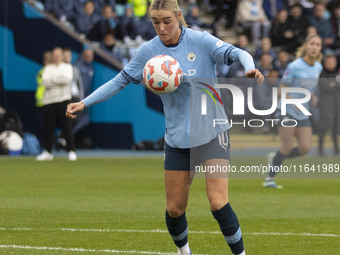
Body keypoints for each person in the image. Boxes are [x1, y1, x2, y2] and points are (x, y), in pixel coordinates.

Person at [66, 0, 263, 254]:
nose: (161, 27)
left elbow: (239, 53)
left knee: (217, 202)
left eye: (166, 21)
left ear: (179, 16)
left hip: (213, 132)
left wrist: (249, 68)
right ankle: (184, 252)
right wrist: (84, 102)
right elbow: (120, 80)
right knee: (174, 208)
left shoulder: (200, 41)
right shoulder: (149, 51)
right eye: (155, 22)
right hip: (178, 138)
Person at [264, 34, 323, 188]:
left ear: (320, 48)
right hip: (286, 110)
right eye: (312, 44)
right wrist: (294, 100)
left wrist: (313, 97)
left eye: (317, 45)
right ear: (306, 46)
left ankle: (276, 158)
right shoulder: (295, 66)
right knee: (287, 147)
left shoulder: (318, 67)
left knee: (305, 148)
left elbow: (309, 89)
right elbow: (281, 89)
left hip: (303, 112)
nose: (314, 47)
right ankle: (269, 179)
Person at [37, 47, 77, 161]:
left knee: (67, 127)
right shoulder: (48, 68)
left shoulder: (67, 67)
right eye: (54, 55)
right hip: (48, 101)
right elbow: (45, 82)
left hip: (64, 100)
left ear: (62, 55)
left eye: (58, 54)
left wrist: (53, 80)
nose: (56, 57)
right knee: (48, 128)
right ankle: (48, 152)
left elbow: (67, 80)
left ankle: (71, 150)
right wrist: (58, 80)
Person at [318, 54, 340, 156]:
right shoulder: (322, 74)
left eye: (332, 62)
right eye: (328, 62)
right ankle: (321, 149)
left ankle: (336, 149)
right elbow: (326, 87)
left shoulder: (337, 73)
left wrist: (334, 84)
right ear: (325, 63)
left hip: (336, 104)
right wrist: (335, 84)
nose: (330, 64)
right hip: (325, 105)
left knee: (335, 128)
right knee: (323, 127)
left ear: (335, 63)